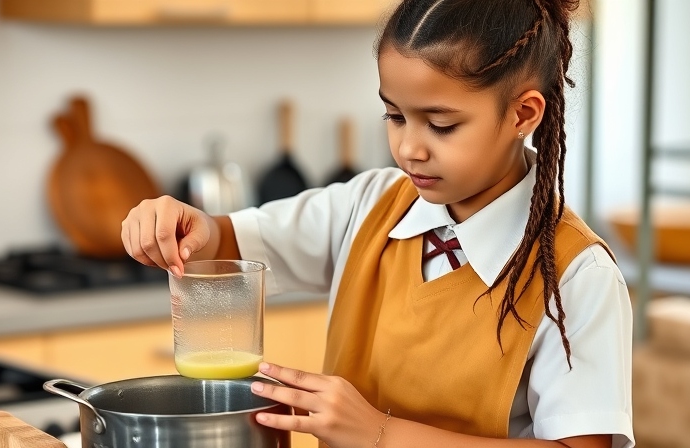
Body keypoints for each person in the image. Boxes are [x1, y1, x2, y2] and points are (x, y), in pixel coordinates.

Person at [121, 0, 634, 446]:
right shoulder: (368, 205)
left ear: (523, 115)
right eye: (394, 116)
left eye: (441, 125)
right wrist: (190, 226)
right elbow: (228, 241)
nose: (408, 148)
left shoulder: (577, 277)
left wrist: (378, 434)